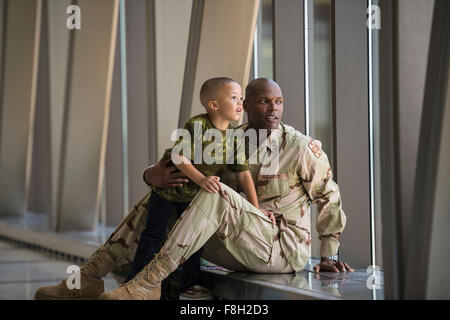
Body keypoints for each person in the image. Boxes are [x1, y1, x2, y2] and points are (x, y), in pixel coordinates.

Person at [34, 78, 353, 301]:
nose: (273, 108)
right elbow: (171, 162)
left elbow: (329, 196)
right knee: (168, 190)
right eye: (263, 101)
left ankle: (146, 283)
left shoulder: (299, 148)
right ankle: (88, 278)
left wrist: (330, 254)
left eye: (279, 102)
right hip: (236, 240)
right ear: (245, 105)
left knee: (213, 191)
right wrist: (151, 175)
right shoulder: (225, 136)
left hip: (280, 247)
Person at [125, 77, 260, 292]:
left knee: (192, 239)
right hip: (168, 188)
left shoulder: (234, 137)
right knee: (154, 235)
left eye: (241, 98)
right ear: (214, 105)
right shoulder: (198, 125)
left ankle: (191, 286)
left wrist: (256, 210)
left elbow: (243, 174)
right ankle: (134, 282)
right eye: (234, 98)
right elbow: (180, 157)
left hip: (192, 195)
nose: (240, 103)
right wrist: (202, 179)